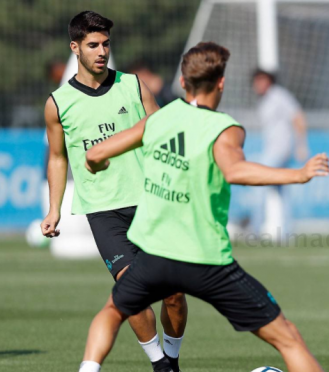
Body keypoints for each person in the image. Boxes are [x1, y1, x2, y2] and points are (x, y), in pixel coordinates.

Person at [79, 42, 329, 372]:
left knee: (111, 313)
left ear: (183, 83)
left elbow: (94, 155)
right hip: (206, 260)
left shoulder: (160, 118)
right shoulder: (225, 129)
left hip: (155, 257)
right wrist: (298, 174)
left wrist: (96, 166)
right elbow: (236, 171)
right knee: (288, 339)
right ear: (221, 83)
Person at [40, 11, 188, 372]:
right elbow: (58, 158)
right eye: (93, 45)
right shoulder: (58, 104)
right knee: (133, 295)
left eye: (106, 43)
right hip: (104, 211)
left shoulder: (133, 86)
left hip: (150, 204)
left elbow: (163, 132)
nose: (102, 51)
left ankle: (173, 355)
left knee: (174, 296)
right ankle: (161, 366)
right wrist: (53, 208)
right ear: (75, 48)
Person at [250, 69, 309, 237]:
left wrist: (301, 145)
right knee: (283, 193)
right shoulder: (265, 100)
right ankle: (287, 233)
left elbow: (298, 117)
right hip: (274, 150)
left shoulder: (278, 96)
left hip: (280, 151)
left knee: (258, 184)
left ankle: (254, 229)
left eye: (262, 80)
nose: (258, 84)